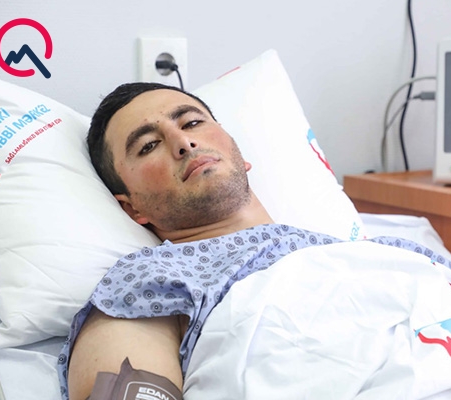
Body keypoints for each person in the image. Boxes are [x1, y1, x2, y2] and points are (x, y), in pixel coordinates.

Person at [58, 82, 355, 400]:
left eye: (192, 123)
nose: (184, 142)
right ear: (133, 209)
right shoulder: (150, 282)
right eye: (148, 145)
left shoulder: (352, 252)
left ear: (238, 153)